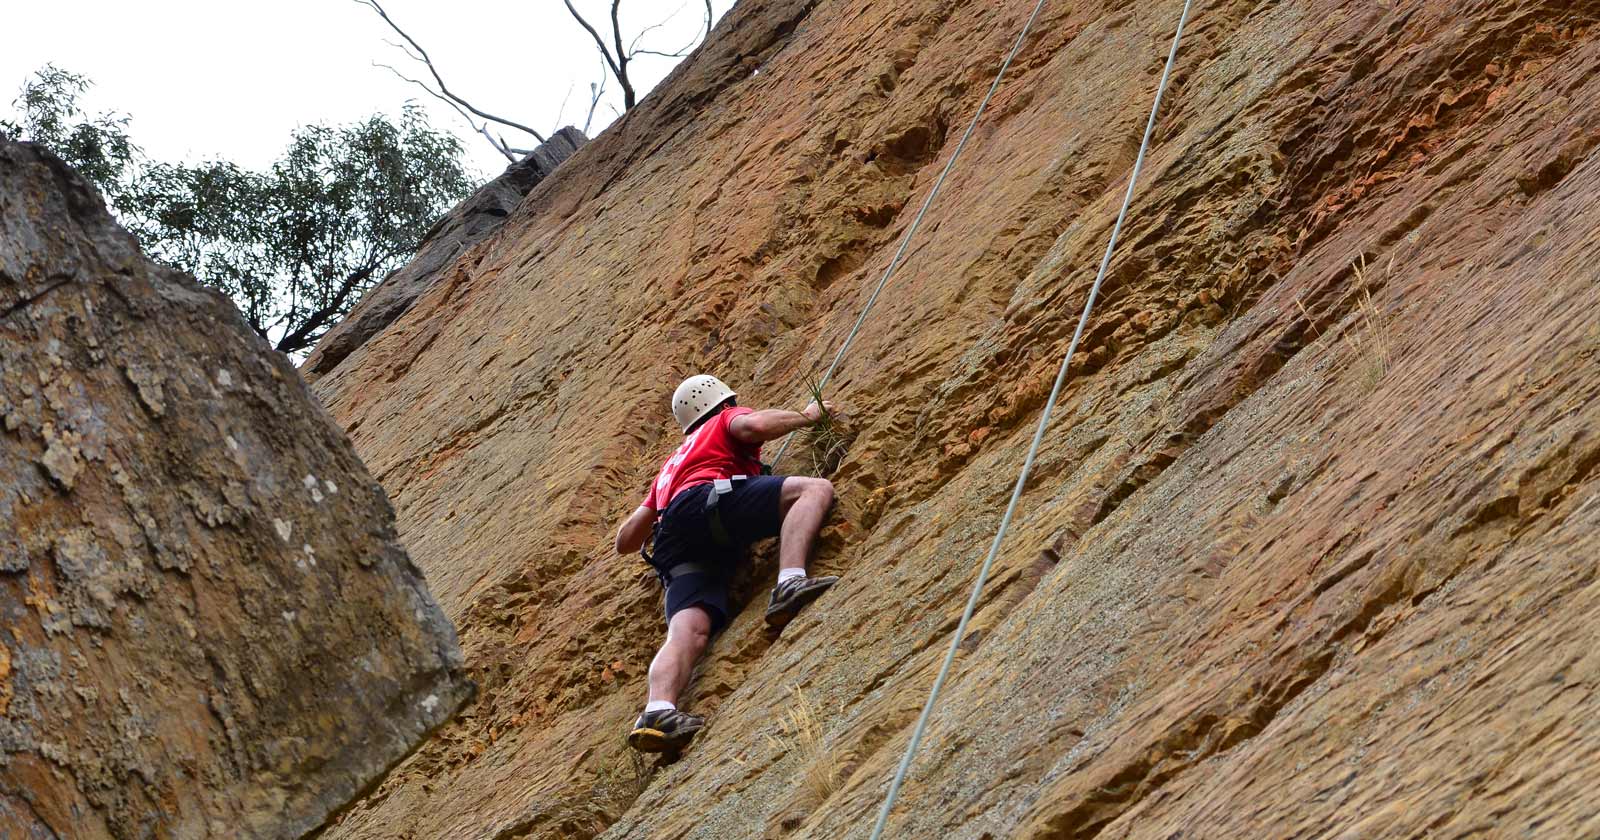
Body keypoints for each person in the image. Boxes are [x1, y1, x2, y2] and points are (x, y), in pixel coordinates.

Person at [614, 374, 840, 753]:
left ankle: (657, 710)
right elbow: (753, 426)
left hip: (674, 538)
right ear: (722, 403)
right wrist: (806, 416)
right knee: (815, 489)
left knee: (689, 631)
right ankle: (790, 581)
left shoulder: (671, 465)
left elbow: (626, 541)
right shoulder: (722, 420)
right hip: (708, 503)